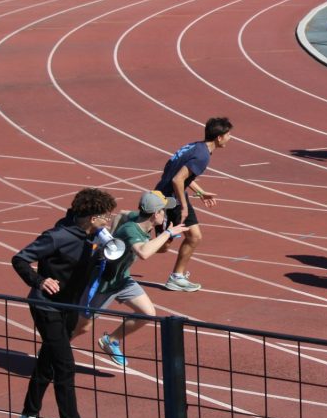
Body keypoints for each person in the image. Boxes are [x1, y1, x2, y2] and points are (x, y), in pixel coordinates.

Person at [12, 187, 117, 418]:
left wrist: (109, 254)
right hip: (46, 306)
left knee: (48, 362)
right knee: (65, 366)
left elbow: (108, 275)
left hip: (70, 307)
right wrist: (39, 280)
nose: (109, 220)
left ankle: (27, 417)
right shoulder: (57, 236)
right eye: (106, 216)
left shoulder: (94, 239)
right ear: (93, 218)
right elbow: (20, 259)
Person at [72, 190, 188, 368]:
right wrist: (168, 233)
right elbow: (143, 253)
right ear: (155, 214)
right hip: (104, 282)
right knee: (82, 327)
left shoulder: (138, 218)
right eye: (163, 211)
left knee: (147, 313)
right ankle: (51, 350)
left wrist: (111, 235)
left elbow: (122, 213)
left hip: (122, 279)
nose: (165, 214)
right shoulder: (131, 230)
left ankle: (111, 340)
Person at [155, 117, 233, 292]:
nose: (230, 138)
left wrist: (200, 192)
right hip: (169, 200)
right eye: (228, 135)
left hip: (173, 195)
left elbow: (181, 175)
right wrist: (183, 206)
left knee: (193, 237)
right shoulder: (202, 156)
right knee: (164, 246)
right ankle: (123, 249)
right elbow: (177, 179)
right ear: (219, 137)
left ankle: (177, 277)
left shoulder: (196, 146)